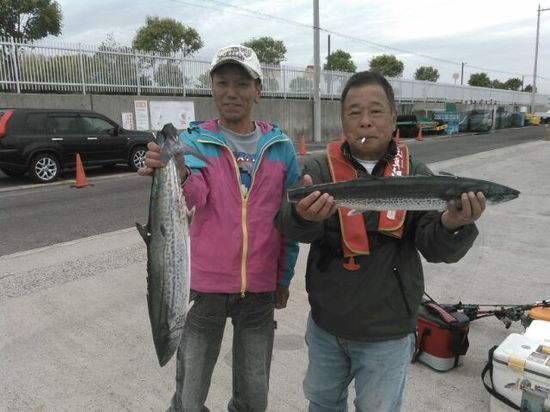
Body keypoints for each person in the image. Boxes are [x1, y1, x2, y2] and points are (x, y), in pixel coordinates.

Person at [275, 71, 486, 412]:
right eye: (354, 112)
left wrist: (454, 224)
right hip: (327, 323)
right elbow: (287, 225)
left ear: (392, 118)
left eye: (376, 111)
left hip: (388, 330)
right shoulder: (318, 168)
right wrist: (302, 217)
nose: (365, 122)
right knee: (322, 403)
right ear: (343, 120)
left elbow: (435, 247)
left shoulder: (416, 173)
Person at [138, 44, 300, 412]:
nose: (232, 92)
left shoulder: (281, 148)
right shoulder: (195, 142)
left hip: (259, 290)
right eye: (222, 82)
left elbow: (287, 221)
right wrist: (176, 169)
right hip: (205, 287)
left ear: (258, 89)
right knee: (190, 393)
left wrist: (284, 277)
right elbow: (196, 196)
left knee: (254, 394)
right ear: (211, 87)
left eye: (242, 84)